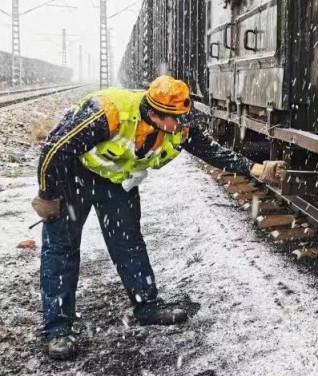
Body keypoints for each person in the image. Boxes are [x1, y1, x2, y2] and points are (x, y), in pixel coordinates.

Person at [32, 75, 284, 360]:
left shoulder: (178, 124)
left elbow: (210, 150)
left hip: (116, 182)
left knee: (128, 243)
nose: (181, 125)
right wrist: (47, 196)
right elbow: (55, 148)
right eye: (175, 119)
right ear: (153, 114)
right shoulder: (108, 114)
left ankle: (146, 306)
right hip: (73, 176)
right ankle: (58, 329)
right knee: (62, 250)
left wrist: (254, 169)